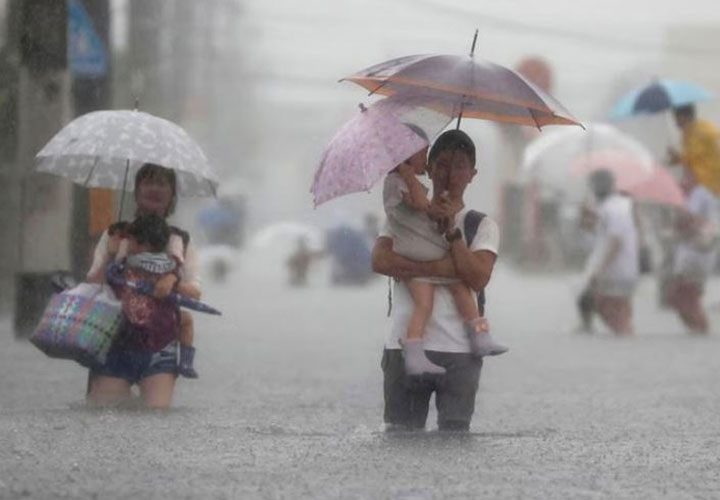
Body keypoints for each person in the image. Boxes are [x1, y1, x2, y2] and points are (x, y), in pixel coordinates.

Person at [372, 129, 501, 432]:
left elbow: (478, 277)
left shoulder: (480, 224)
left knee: (454, 442)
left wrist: (452, 233)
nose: (450, 174)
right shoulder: (401, 215)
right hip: (403, 349)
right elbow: (380, 261)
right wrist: (444, 266)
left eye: (459, 167)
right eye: (442, 164)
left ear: (472, 174)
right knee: (399, 440)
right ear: (428, 168)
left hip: (460, 353)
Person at [86, 163, 201, 409]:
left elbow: (195, 292)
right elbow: (92, 284)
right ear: (136, 191)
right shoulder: (115, 234)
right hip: (114, 343)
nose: (155, 189)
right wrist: (110, 255)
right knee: (102, 415)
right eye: (148, 182)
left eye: (162, 184)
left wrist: (172, 281)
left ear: (172, 195)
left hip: (160, 347)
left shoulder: (180, 240)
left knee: (156, 414)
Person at [579, 169, 639, 336]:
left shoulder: (615, 208)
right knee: (616, 308)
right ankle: (625, 336)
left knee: (606, 304)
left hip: (616, 271)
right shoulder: (612, 206)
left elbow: (616, 241)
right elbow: (598, 233)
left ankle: (625, 335)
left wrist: (601, 270)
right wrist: (585, 217)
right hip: (620, 269)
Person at [667, 169, 719, 333]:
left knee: (687, 294)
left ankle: (701, 330)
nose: (682, 180)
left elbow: (691, 221)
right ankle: (696, 331)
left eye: (686, 177)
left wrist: (678, 205)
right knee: (679, 296)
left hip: (697, 253)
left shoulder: (699, 193)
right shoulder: (697, 194)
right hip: (693, 252)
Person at [667, 104, 720, 195]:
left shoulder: (700, 130)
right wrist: (677, 158)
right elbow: (692, 156)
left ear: (684, 117)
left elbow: (692, 155)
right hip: (704, 183)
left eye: (676, 118)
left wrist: (678, 158)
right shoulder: (689, 133)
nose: (675, 122)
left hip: (710, 182)